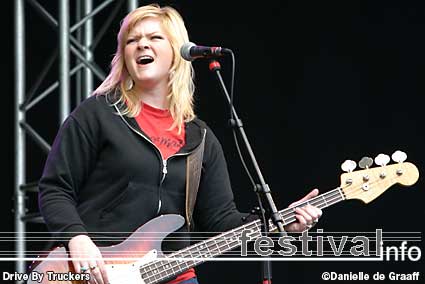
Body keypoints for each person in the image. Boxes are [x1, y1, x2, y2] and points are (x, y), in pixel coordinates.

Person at [38, 3, 322, 284]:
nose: (141, 45)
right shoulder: (98, 114)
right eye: (132, 40)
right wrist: (77, 239)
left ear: (177, 52)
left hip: (172, 275)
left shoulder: (200, 139)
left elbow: (221, 221)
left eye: (154, 38)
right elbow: (55, 188)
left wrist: (280, 222)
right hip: (99, 272)